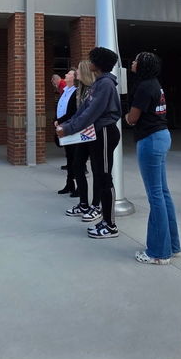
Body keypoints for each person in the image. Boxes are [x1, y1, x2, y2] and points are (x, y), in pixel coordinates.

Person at [56, 47, 121, 238]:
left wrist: (68, 128)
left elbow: (92, 113)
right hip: (97, 134)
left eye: (92, 59)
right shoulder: (98, 83)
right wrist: (66, 125)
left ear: (98, 63)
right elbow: (83, 111)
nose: (89, 62)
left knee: (104, 177)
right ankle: (104, 220)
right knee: (99, 175)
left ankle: (110, 225)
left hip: (105, 132)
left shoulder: (106, 84)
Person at [125, 52, 181, 265]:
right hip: (162, 136)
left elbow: (133, 118)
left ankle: (158, 252)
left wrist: (125, 117)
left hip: (150, 140)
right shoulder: (155, 84)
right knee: (163, 193)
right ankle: (171, 246)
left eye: (136, 60)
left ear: (143, 65)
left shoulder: (143, 87)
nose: (133, 62)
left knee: (155, 195)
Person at [65, 60, 100, 220]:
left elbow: (89, 114)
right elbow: (79, 113)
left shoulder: (95, 89)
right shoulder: (81, 89)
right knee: (77, 165)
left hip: (95, 134)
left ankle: (96, 205)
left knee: (97, 170)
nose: (76, 72)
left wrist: (69, 127)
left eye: (78, 70)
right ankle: (83, 203)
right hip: (83, 134)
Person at [54, 69, 78, 196]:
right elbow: (60, 107)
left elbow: (72, 112)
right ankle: (69, 184)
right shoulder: (65, 91)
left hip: (70, 127)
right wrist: (56, 120)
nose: (65, 75)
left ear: (74, 78)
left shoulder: (75, 92)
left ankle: (79, 186)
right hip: (62, 126)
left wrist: (60, 121)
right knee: (69, 156)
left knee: (75, 157)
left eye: (69, 74)